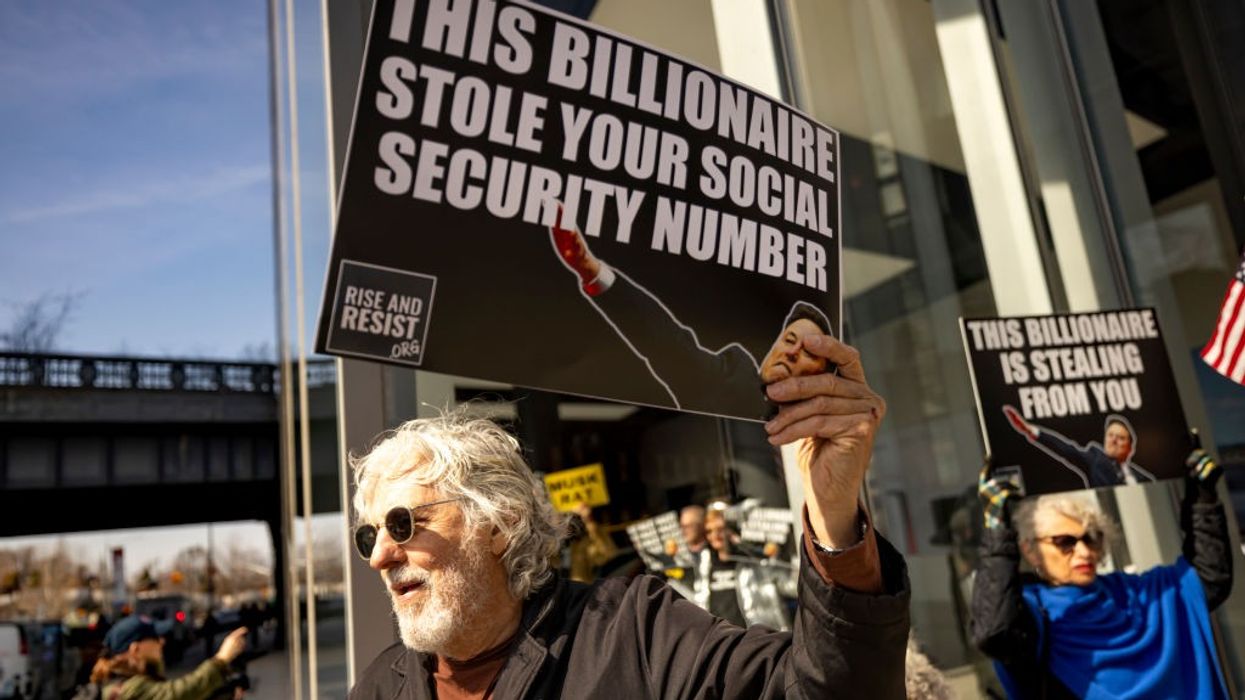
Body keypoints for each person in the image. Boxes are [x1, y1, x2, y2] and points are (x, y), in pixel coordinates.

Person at [347, 335, 908, 699]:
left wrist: (834, 517)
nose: (380, 557)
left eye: (403, 524)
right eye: (369, 536)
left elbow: (813, 691)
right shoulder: (378, 688)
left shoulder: (633, 635)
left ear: (499, 525)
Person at [971, 447, 1233, 699]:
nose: (1084, 552)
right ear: (1029, 550)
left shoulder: (1129, 593)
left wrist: (1203, 497)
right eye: (1065, 542)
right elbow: (995, 632)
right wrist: (998, 531)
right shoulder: (1033, 614)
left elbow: (1206, 580)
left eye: (1091, 538)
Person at [550, 215, 831, 420]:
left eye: (808, 352)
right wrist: (591, 270)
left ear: (824, 377)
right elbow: (668, 344)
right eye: (789, 339)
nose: (792, 352)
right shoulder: (735, 378)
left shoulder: (832, 425)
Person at [82, 615, 247, 700]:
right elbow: (176, 694)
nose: (162, 641)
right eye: (154, 637)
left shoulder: (127, 681)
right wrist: (221, 660)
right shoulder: (127, 689)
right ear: (135, 649)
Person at [1002, 406, 1156, 487]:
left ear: (1130, 448)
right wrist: (1031, 431)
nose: (1113, 440)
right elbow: (1066, 449)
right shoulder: (1095, 457)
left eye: (1120, 438)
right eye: (1110, 435)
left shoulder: (1144, 479)